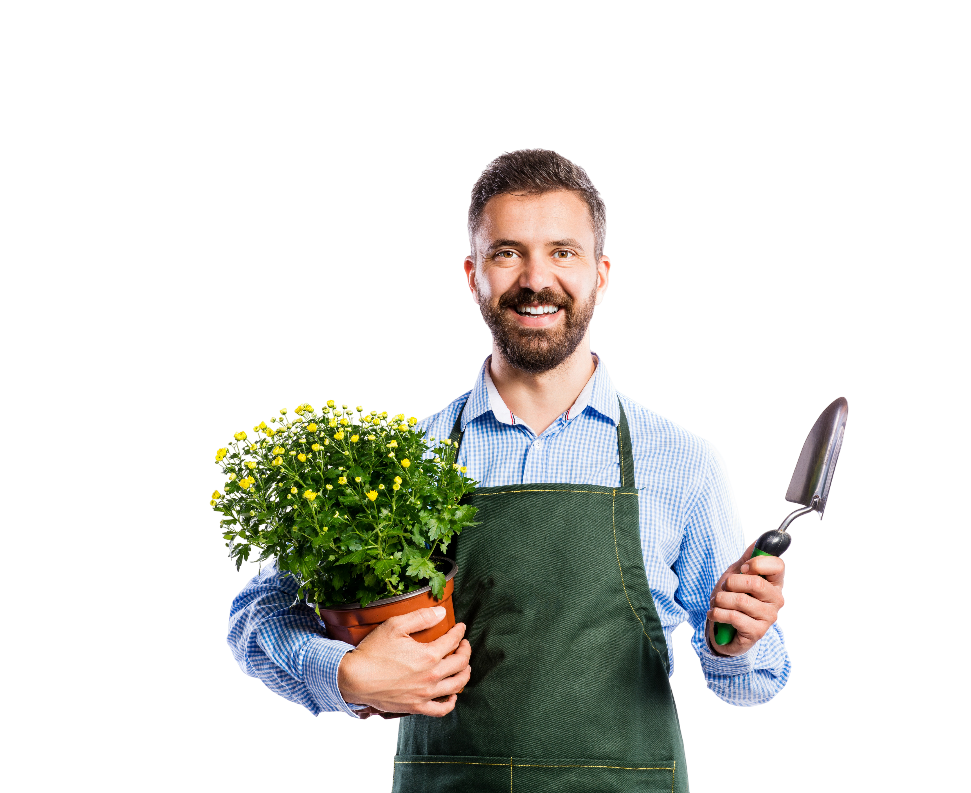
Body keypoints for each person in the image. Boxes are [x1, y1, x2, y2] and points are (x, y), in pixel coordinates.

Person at [227, 149, 790, 790]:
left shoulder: (686, 462)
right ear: (473, 275)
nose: (536, 279)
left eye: (563, 252)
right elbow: (257, 615)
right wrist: (342, 675)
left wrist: (739, 644)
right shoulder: (403, 458)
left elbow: (751, 690)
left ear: (602, 276)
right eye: (507, 252)